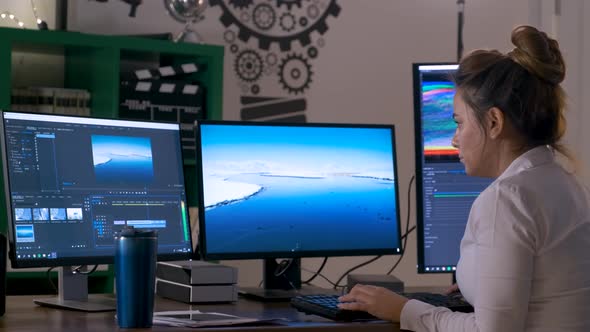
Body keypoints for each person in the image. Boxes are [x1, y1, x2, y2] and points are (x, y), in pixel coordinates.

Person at [338, 25, 590, 331]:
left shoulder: (506, 199)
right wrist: (479, 283)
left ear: (494, 122)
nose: (454, 140)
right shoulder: (566, 184)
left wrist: (405, 310)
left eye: (459, 123)